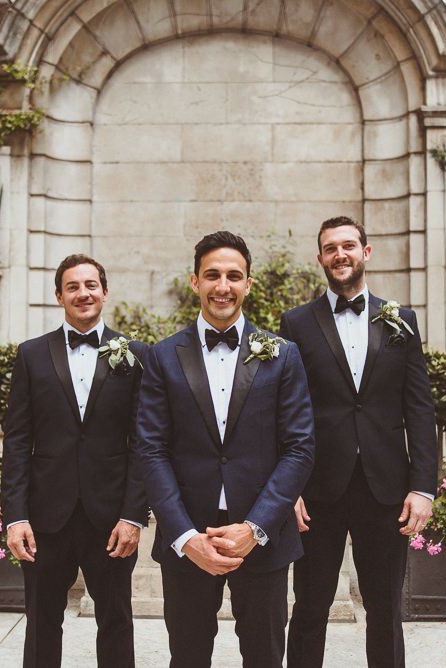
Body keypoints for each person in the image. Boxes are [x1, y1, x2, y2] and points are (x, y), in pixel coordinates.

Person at [135, 231, 315, 667]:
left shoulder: (283, 355)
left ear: (248, 284)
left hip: (262, 536)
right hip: (189, 538)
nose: (223, 285)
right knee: (189, 656)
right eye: (212, 275)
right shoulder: (162, 357)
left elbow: (299, 447)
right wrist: (184, 536)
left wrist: (254, 528)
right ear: (194, 281)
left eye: (234, 276)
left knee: (265, 656)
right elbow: (151, 448)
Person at [281, 216, 437, 668]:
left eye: (348, 245)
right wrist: (288, 490)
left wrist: (423, 487)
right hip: (316, 494)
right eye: (330, 248)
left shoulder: (400, 320)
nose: (340, 255)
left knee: (386, 610)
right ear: (320, 259)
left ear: (365, 252)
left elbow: (420, 408)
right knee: (309, 608)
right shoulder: (295, 324)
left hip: (386, 489)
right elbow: (284, 412)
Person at [1, 253, 148, 668]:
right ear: (58, 297)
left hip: (111, 519)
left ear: (104, 291)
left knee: (117, 619)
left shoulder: (135, 354)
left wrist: (134, 515)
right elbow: (17, 440)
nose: (82, 293)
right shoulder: (31, 355)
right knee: (42, 620)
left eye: (90, 285)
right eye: (72, 287)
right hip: (45, 517)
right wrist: (15, 517)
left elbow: (144, 443)